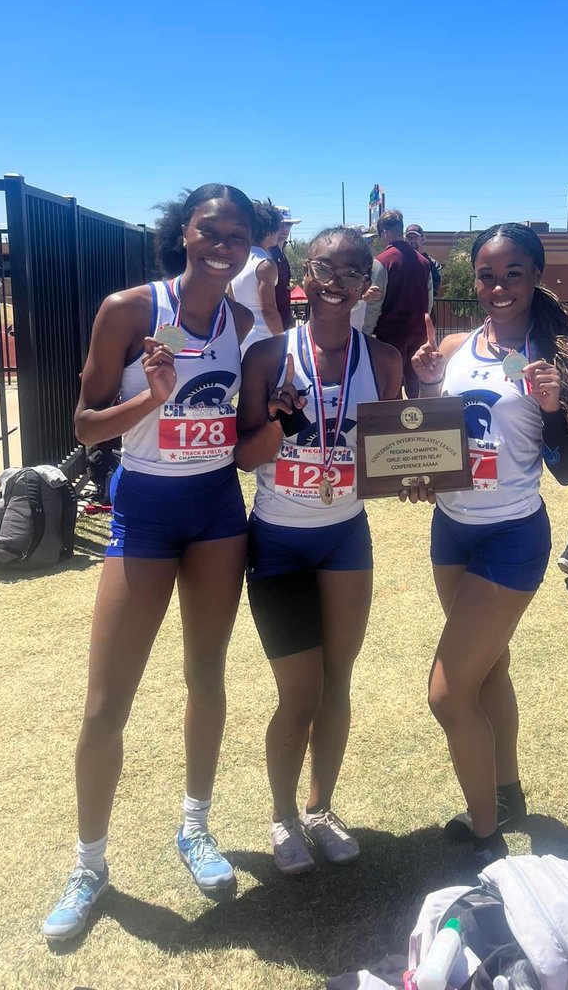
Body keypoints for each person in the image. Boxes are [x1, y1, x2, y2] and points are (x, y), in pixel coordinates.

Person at [43, 184, 256, 941]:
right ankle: (89, 864)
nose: (223, 243)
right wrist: (151, 399)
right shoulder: (130, 309)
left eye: (237, 233)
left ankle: (194, 827)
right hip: (145, 514)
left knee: (208, 675)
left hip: (219, 513)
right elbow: (83, 423)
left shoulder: (244, 319)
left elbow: (248, 421)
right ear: (184, 233)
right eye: (210, 229)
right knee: (107, 702)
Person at [406, 223, 568, 869]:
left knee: (446, 691)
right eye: (488, 274)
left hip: (512, 534)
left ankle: (485, 830)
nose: (498, 286)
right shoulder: (457, 344)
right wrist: (427, 385)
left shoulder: (558, 356)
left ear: (535, 276)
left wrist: (550, 407)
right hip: (451, 528)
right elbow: (432, 432)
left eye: (513, 273)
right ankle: (508, 792)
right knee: (488, 669)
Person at [235, 227, 402, 874]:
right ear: (307, 273)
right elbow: (244, 458)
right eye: (327, 268)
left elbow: (386, 459)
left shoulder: (383, 359)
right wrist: (278, 421)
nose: (339, 281)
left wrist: (413, 477)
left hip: (345, 539)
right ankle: (281, 816)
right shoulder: (268, 357)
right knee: (298, 694)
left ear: (369, 284)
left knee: (338, 685)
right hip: (277, 540)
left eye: (353, 270)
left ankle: (319, 807)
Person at [370, 209, 432, 397]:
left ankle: (393, 423)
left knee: (391, 383)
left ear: (385, 233)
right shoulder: (423, 262)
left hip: (390, 334)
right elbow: (429, 301)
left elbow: (374, 302)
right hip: (418, 331)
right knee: (415, 379)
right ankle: (416, 420)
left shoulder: (381, 261)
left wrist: (365, 332)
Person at [230, 199, 284, 352]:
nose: (279, 233)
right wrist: (283, 339)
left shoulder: (237, 260)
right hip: (263, 335)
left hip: (241, 334)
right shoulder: (265, 264)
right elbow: (268, 308)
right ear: (270, 230)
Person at [271, 206, 301, 332]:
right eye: (281, 225)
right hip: (271, 325)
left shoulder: (281, 252)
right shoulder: (268, 254)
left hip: (282, 320)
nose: (284, 229)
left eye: (288, 225)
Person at [405, 223, 443, 299]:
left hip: (425, 308)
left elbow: (434, 290)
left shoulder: (433, 265)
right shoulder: (400, 262)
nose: (412, 241)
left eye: (415, 238)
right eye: (410, 238)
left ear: (423, 239)